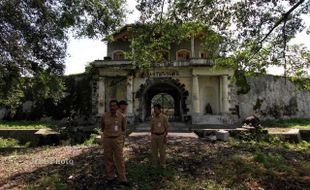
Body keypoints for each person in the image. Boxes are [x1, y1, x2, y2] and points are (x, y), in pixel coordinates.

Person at [101, 100, 129, 186]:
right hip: (107, 140)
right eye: (111, 106)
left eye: (114, 106)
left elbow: (124, 128)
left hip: (117, 140)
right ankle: (110, 177)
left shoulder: (122, 116)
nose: (112, 107)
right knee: (108, 158)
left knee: (119, 159)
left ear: (117, 107)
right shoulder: (104, 116)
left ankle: (122, 178)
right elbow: (102, 127)